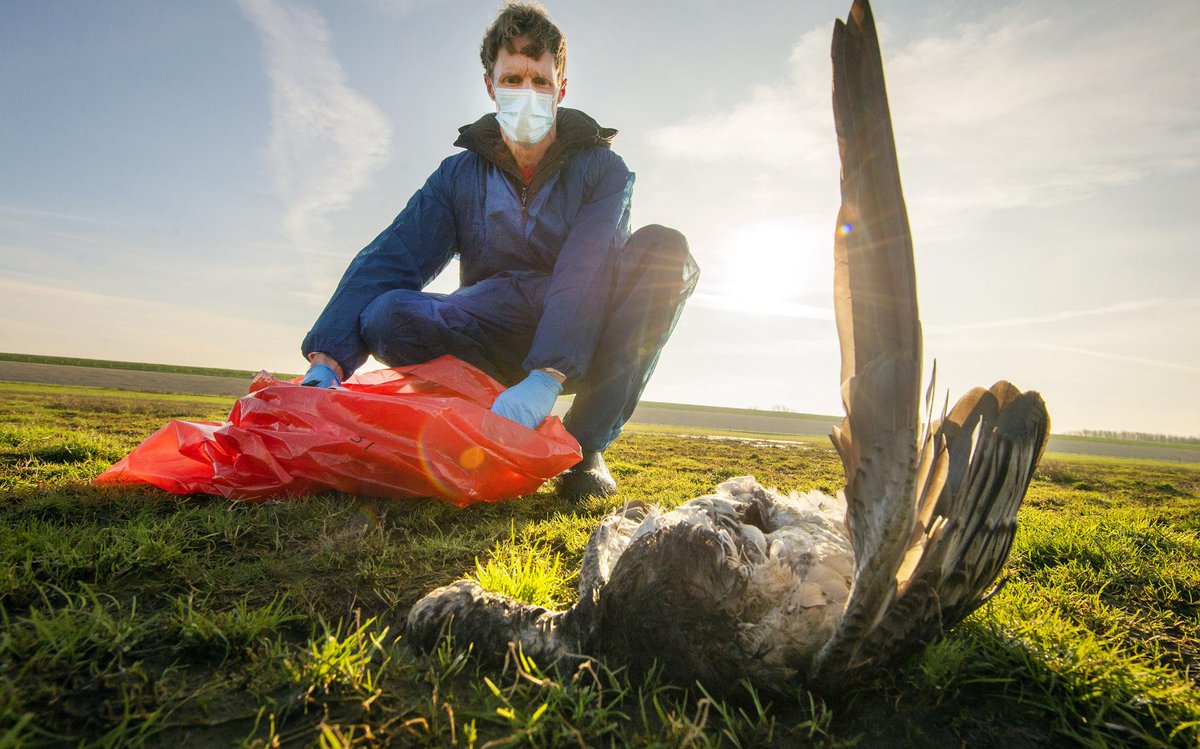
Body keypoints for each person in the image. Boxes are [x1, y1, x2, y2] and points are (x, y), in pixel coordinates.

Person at [299, 3, 698, 500]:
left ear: (561, 88)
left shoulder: (603, 171)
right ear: (490, 86)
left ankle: (582, 445)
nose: (526, 93)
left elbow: (588, 266)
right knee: (385, 312)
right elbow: (392, 255)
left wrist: (547, 375)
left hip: (578, 337)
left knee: (665, 251)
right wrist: (328, 358)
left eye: (540, 80)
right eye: (512, 80)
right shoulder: (458, 175)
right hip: (482, 329)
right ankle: (461, 419)